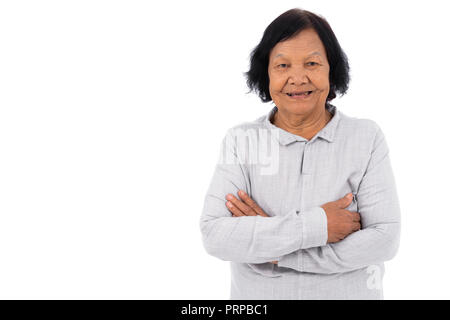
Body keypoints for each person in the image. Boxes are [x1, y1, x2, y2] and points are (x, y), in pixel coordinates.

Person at [199, 8, 401, 299]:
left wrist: (276, 252)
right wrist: (319, 226)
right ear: (265, 73)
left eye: (312, 63)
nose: (297, 78)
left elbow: (384, 240)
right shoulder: (241, 140)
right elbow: (215, 236)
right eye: (282, 66)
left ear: (331, 70)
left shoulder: (366, 138)